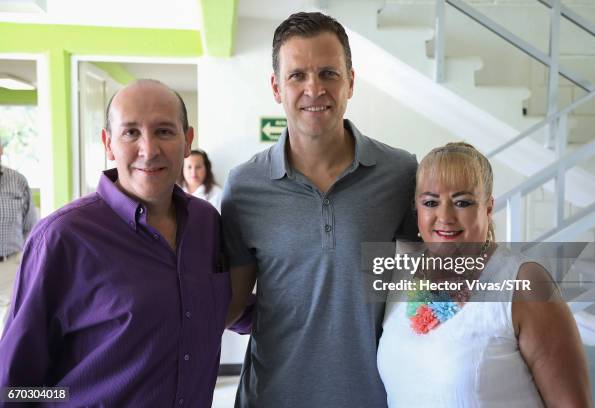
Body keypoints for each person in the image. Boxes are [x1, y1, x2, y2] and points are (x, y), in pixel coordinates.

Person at [0, 79, 239, 406]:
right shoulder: (62, 238)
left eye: (165, 131)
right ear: (108, 143)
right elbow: (12, 386)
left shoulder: (206, 222)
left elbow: (212, 305)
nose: (149, 149)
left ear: (188, 141)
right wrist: (73, 398)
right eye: (130, 132)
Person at [222, 12, 418, 407]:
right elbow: (231, 305)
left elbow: (435, 280)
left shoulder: (400, 173)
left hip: (372, 396)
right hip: (271, 396)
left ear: (351, 82)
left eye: (329, 73)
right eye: (297, 76)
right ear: (276, 88)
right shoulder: (244, 187)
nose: (315, 89)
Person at [377, 142, 592, 407]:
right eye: (431, 202)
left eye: (462, 202)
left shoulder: (525, 283)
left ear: (488, 208)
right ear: (417, 209)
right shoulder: (399, 271)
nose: (445, 216)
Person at [0, 142, 38, 332]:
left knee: (11, 327)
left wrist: (22, 261)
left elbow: (30, 226)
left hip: (10, 265)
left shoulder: (17, 181)